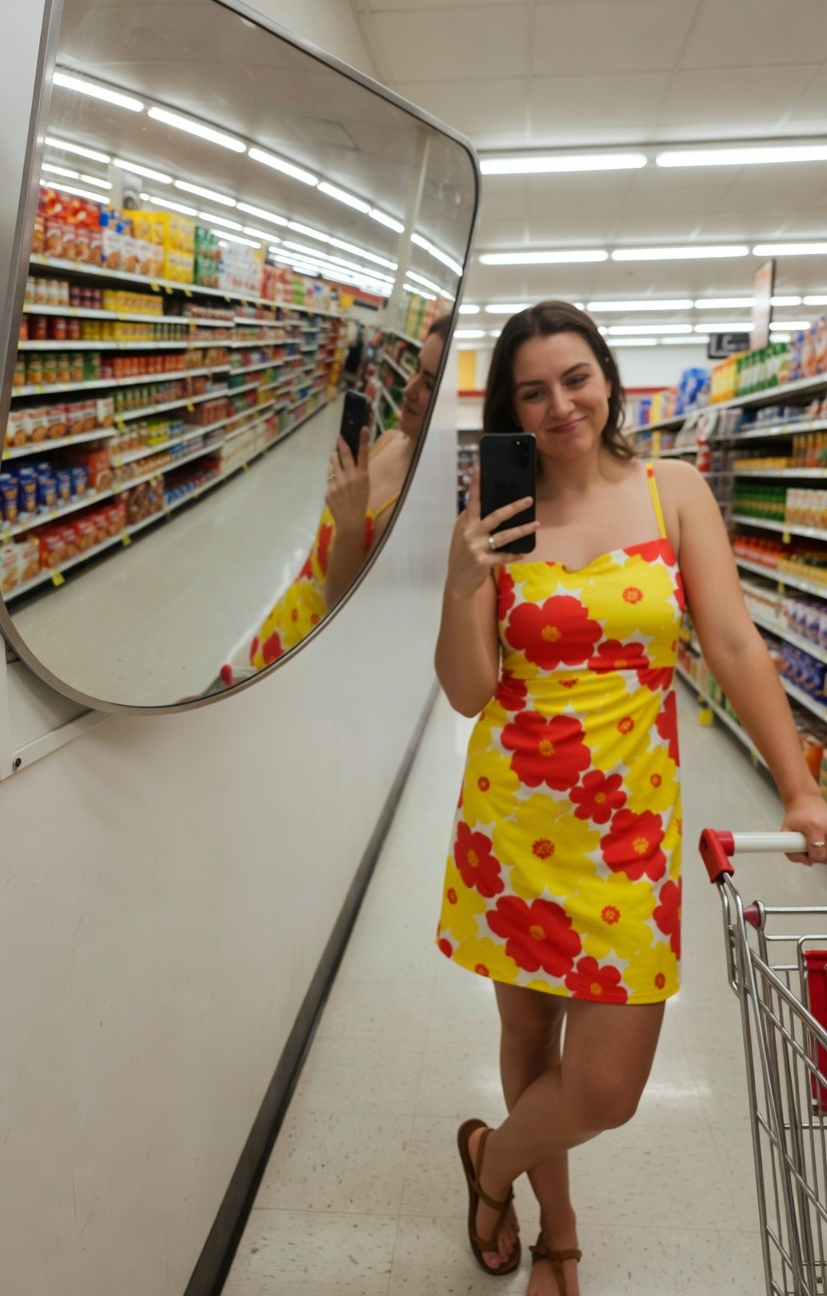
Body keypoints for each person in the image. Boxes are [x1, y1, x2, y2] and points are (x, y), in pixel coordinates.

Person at [433, 300, 827, 1296]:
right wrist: (457, 584)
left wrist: (797, 787)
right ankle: (556, 1235)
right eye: (533, 389)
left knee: (607, 1089)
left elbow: (733, 644)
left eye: (576, 377)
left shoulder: (674, 490)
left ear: (605, 377)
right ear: (512, 411)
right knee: (527, 1038)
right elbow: (469, 690)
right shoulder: (495, 518)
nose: (561, 403)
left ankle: (492, 1163)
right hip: (513, 822)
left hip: (629, 836)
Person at [248, 312, 451, 669]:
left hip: (311, 658)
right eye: (416, 369)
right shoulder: (388, 440)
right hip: (284, 623)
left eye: (430, 383)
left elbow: (348, 616)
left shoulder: (419, 508)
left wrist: (352, 524)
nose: (409, 388)